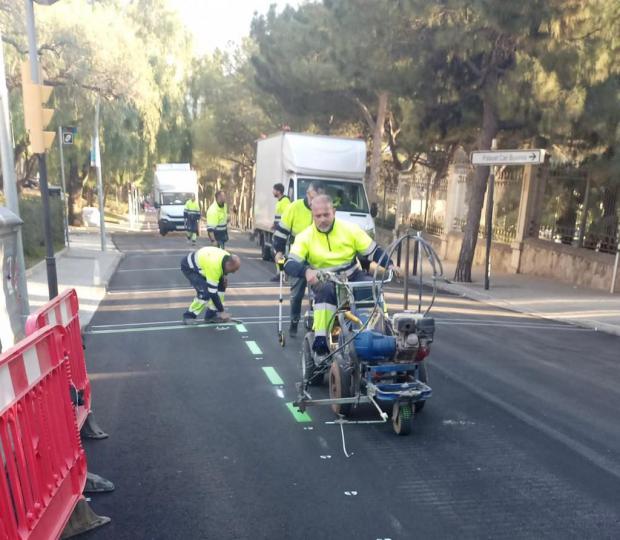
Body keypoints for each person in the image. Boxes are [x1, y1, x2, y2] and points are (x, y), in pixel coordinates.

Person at [283, 195, 397, 356]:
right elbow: (289, 263)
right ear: (312, 216)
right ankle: (322, 340)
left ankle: (383, 328)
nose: (322, 219)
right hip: (325, 280)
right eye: (318, 216)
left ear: (334, 212)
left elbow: (374, 251)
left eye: (326, 214)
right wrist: (306, 271)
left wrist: (390, 264)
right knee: (326, 292)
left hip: (352, 276)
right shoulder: (305, 237)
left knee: (372, 287)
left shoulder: (351, 229)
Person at [273, 181, 323, 336]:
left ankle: (316, 325)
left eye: (315, 198)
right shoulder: (294, 207)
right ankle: (294, 322)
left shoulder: (323, 210)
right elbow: (281, 232)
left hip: (317, 258)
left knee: (319, 293)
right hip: (298, 257)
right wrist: (279, 252)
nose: (311, 200)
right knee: (296, 294)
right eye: (310, 196)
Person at [181, 246, 241, 323]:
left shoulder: (227, 257)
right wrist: (222, 312)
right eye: (233, 269)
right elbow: (212, 292)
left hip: (205, 264)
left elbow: (223, 266)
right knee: (205, 293)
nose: (234, 272)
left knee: (222, 285)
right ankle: (188, 316)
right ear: (229, 264)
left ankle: (211, 315)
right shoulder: (214, 267)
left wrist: (224, 275)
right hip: (190, 267)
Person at [269, 182, 291, 282]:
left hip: (283, 232)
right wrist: (274, 224)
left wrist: (279, 226)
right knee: (278, 254)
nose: (272, 192)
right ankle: (281, 273)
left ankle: (281, 274)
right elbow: (279, 216)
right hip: (278, 231)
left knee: (279, 254)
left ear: (278, 191)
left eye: (274, 190)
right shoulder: (280, 201)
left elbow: (287, 217)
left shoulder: (285, 201)